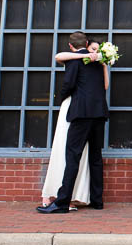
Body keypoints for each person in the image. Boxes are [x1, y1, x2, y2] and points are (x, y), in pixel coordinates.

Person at [37, 31, 109, 214]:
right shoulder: (98, 61)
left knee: (73, 156)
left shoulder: (75, 60)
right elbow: (104, 87)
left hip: (81, 113)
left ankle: (62, 203)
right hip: (99, 113)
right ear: (86, 43)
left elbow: (68, 85)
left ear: (70, 46)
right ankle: (97, 200)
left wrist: (62, 99)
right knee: (95, 157)